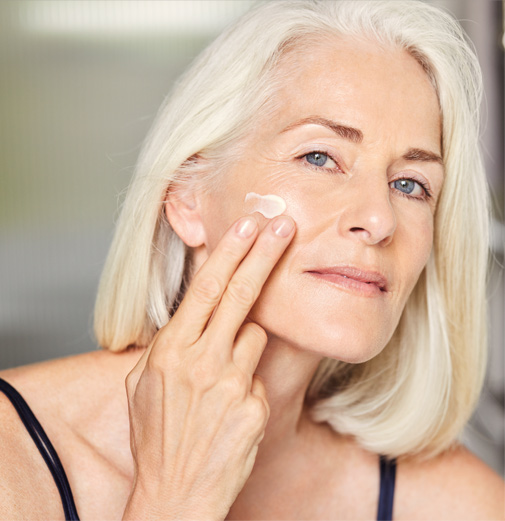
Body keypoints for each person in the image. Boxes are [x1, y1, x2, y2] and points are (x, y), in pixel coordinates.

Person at [0, 0, 504, 519]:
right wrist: (174, 499)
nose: (379, 219)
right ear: (187, 197)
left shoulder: (461, 505)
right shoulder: (9, 457)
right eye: (319, 157)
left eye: (409, 184)